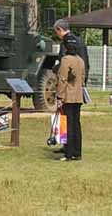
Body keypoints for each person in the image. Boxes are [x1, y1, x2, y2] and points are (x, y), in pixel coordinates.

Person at [52, 19, 89, 155]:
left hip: (68, 88)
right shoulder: (80, 42)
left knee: (67, 121)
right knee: (75, 121)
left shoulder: (66, 45)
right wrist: (82, 83)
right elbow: (85, 64)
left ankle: (68, 149)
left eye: (57, 32)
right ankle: (74, 149)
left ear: (59, 30)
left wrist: (59, 94)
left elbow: (63, 71)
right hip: (79, 86)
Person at [56, 35, 85, 161]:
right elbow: (82, 78)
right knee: (76, 124)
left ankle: (68, 153)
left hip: (68, 96)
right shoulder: (80, 60)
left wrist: (59, 96)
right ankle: (77, 152)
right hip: (78, 96)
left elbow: (62, 79)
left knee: (67, 124)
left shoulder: (66, 60)